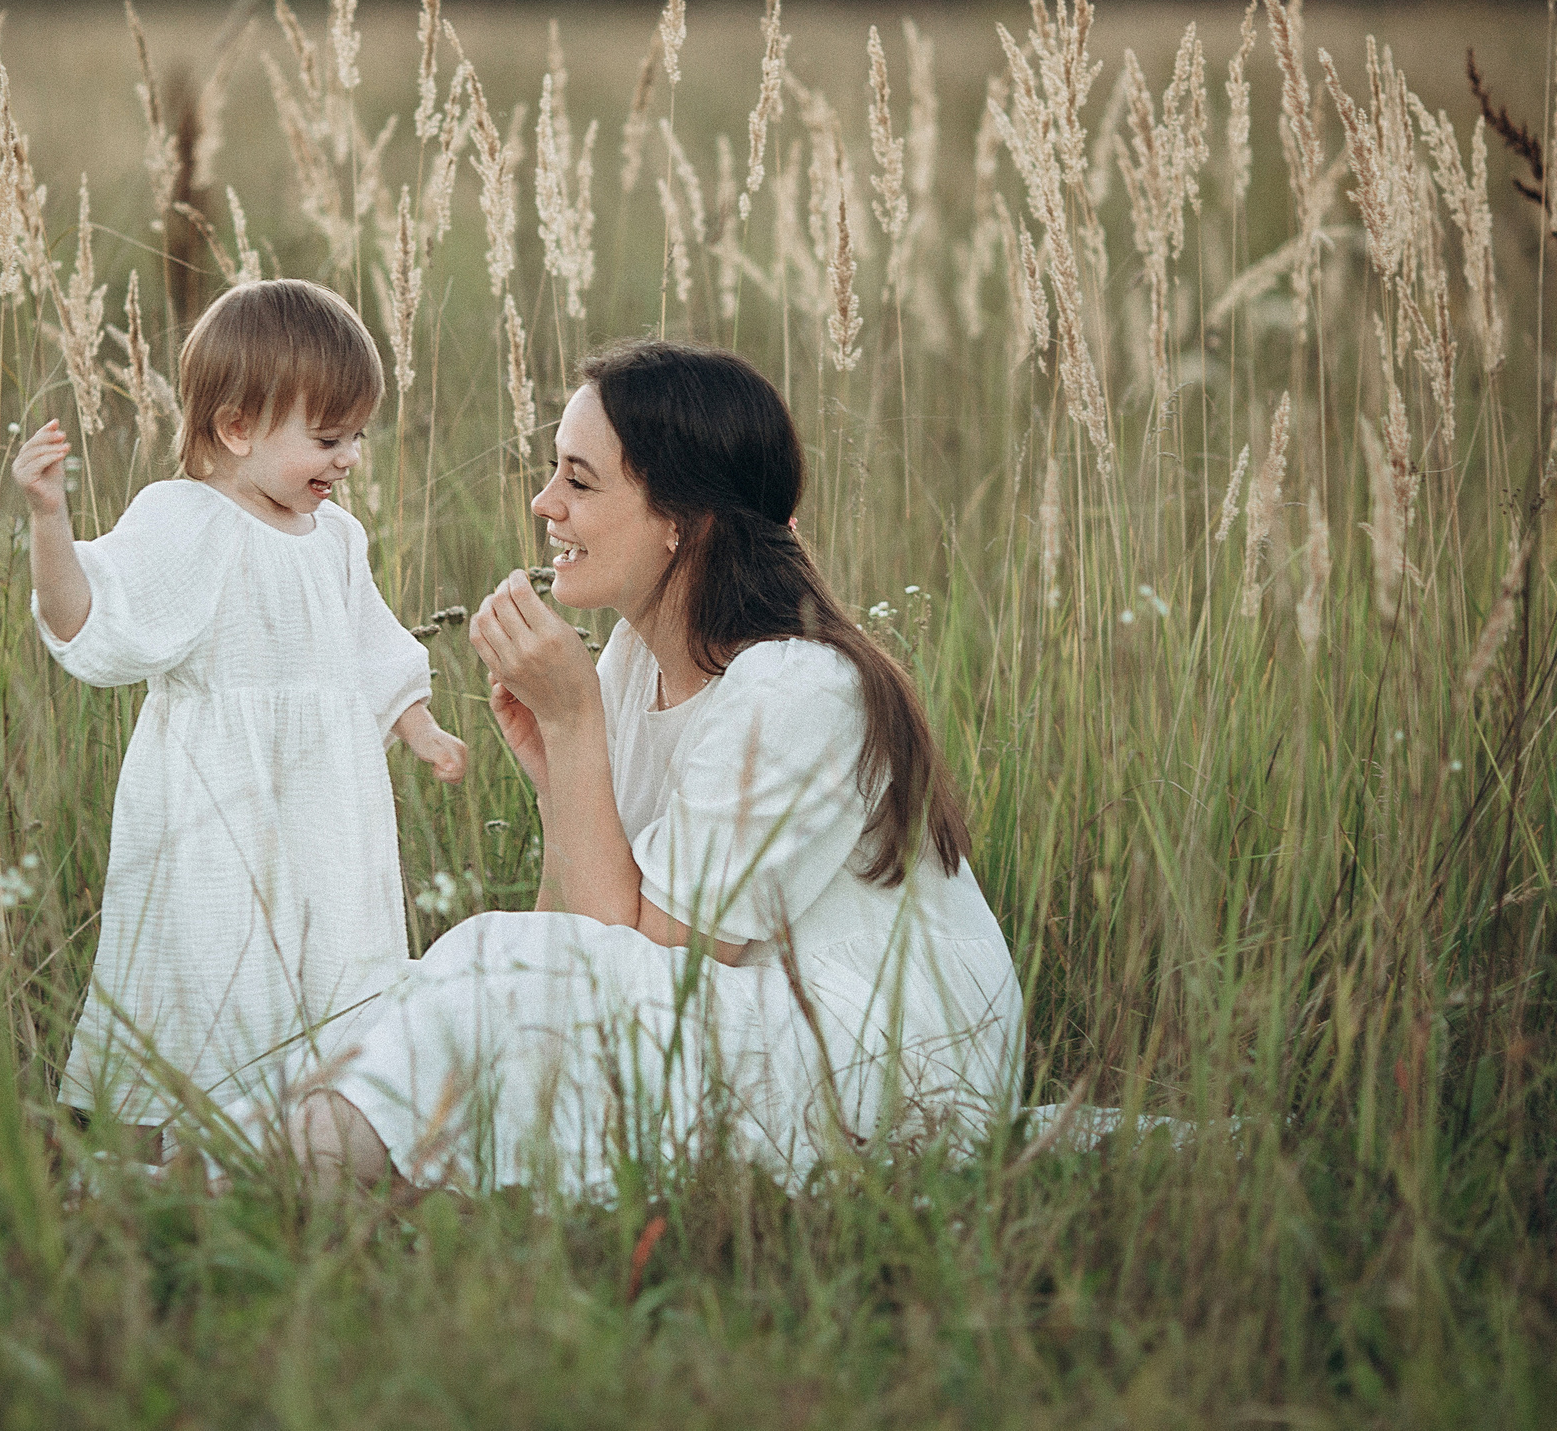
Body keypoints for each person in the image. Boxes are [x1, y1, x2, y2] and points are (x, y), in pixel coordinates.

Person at [285, 340, 1022, 1195]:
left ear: (682, 521)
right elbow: (570, 936)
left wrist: (573, 728)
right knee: (437, 976)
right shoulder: (639, 658)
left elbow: (644, 961)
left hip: (889, 1061)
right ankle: (280, 1162)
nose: (544, 501)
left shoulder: (798, 689)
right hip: (751, 1012)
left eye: (580, 480)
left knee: (493, 969)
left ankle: (284, 1181)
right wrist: (562, 767)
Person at [16, 278, 468, 1132]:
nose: (348, 461)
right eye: (328, 438)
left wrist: (419, 725)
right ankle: (181, 1140)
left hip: (327, 809)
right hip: (221, 806)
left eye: (358, 438)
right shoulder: (189, 520)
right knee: (222, 956)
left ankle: (317, 1129)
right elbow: (91, 616)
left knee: (330, 954)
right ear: (236, 427)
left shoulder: (336, 536)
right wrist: (50, 518)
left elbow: (368, 645)